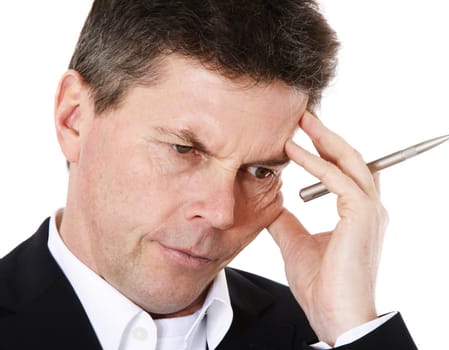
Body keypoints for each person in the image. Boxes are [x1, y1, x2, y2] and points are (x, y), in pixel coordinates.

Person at [0, 1, 417, 349]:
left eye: (260, 170)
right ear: (74, 119)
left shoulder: (328, 336)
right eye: (184, 149)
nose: (222, 213)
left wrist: (352, 327)